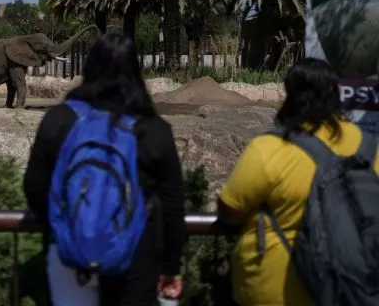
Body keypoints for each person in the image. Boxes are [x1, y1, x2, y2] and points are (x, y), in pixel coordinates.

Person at [23, 33, 186, 306]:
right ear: (136, 71)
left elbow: (34, 186)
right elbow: (172, 205)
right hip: (137, 255)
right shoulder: (153, 129)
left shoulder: (59, 119)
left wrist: (66, 225)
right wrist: (171, 266)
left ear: (90, 67)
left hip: (70, 254)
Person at [217, 58, 379, 305]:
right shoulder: (369, 148)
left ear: (290, 95)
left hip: (275, 290)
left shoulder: (270, 147)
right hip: (348, 288)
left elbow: (231, 210)